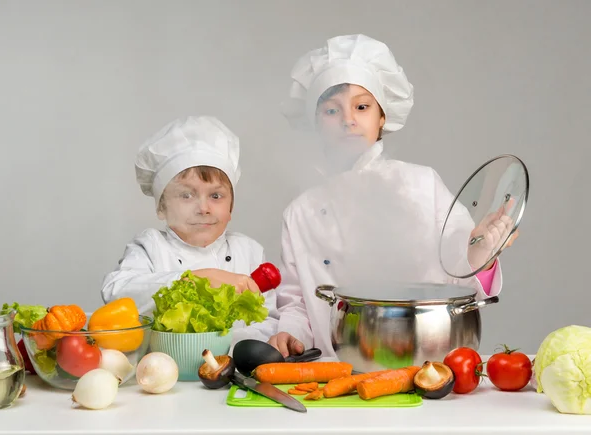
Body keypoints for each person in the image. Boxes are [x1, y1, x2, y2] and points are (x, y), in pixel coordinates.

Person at [268, 34, 519, 358]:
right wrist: (289, 332)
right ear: (315, 122)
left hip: (425, 358)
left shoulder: (421, 184)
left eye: (362, 106)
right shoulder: (299, 213)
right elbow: (296, 302)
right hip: (334, 371)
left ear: (382, 116)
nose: (348, 119)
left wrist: (480, 250)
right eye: (331, 110)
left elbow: (459, 269)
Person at [101, 115, 278, 342]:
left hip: (231, 369)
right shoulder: (150, 246)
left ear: (231, 206)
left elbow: (268, 321)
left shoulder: (249, 251)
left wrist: (225, 346)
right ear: (161, 208)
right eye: (186, 195)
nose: (203, 208)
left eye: (216, 196)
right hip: (166, 370)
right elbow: (116, 292)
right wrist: (195, 279)